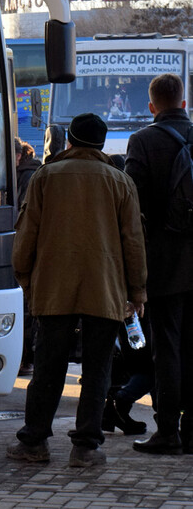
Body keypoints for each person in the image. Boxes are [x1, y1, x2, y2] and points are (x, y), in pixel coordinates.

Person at [7, 113, 147, 467]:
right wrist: (138, 292)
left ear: (69, 139)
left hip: (53, 287)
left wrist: (24, 276)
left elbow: (27, 235)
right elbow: (133, 241)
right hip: (105, 287)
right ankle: (86, 446)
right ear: (101, 144)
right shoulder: (120, 181)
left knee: (48, 368)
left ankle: (34, 441)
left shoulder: (45, 177)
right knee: (98, 368)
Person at [125, 72, 193, 455]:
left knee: (166, 348)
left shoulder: (144, 141)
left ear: (152, 106)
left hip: (164, 265)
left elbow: (132, 204)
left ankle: (167, 431)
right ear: (183, 103)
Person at [15, 138, 42, 376]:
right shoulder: (26, 173)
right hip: (29, 248)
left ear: (18, 156)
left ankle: (26, 359)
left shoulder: (27, 176)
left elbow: (23, 216)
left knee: (26, 308)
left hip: (27, 249)